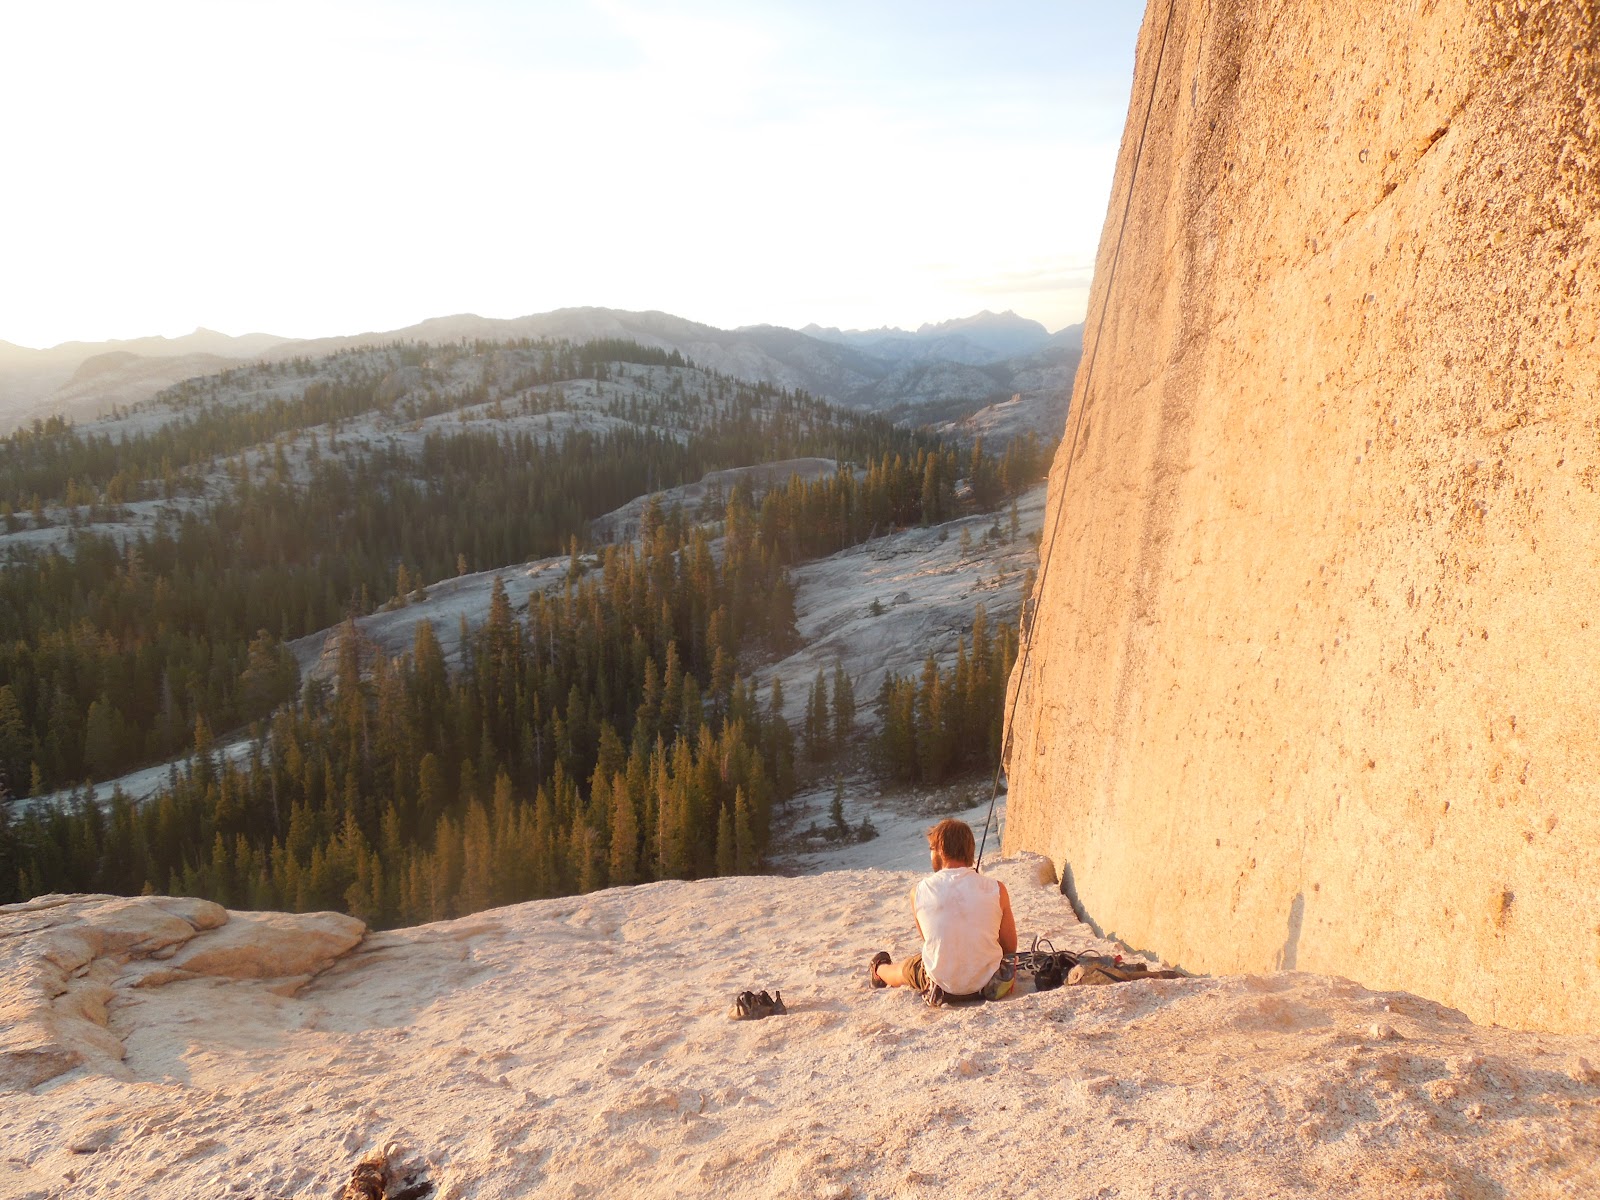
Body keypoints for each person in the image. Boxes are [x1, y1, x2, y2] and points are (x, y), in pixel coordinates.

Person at [868, 818, 1018, 1002]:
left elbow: (930, 941)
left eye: (931, 849)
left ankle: (879, 970)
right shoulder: (997, 889)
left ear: (939, 850)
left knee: (907, 969)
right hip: (989, 985)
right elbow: (1010, 947)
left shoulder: (918, 892)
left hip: (940, 987)